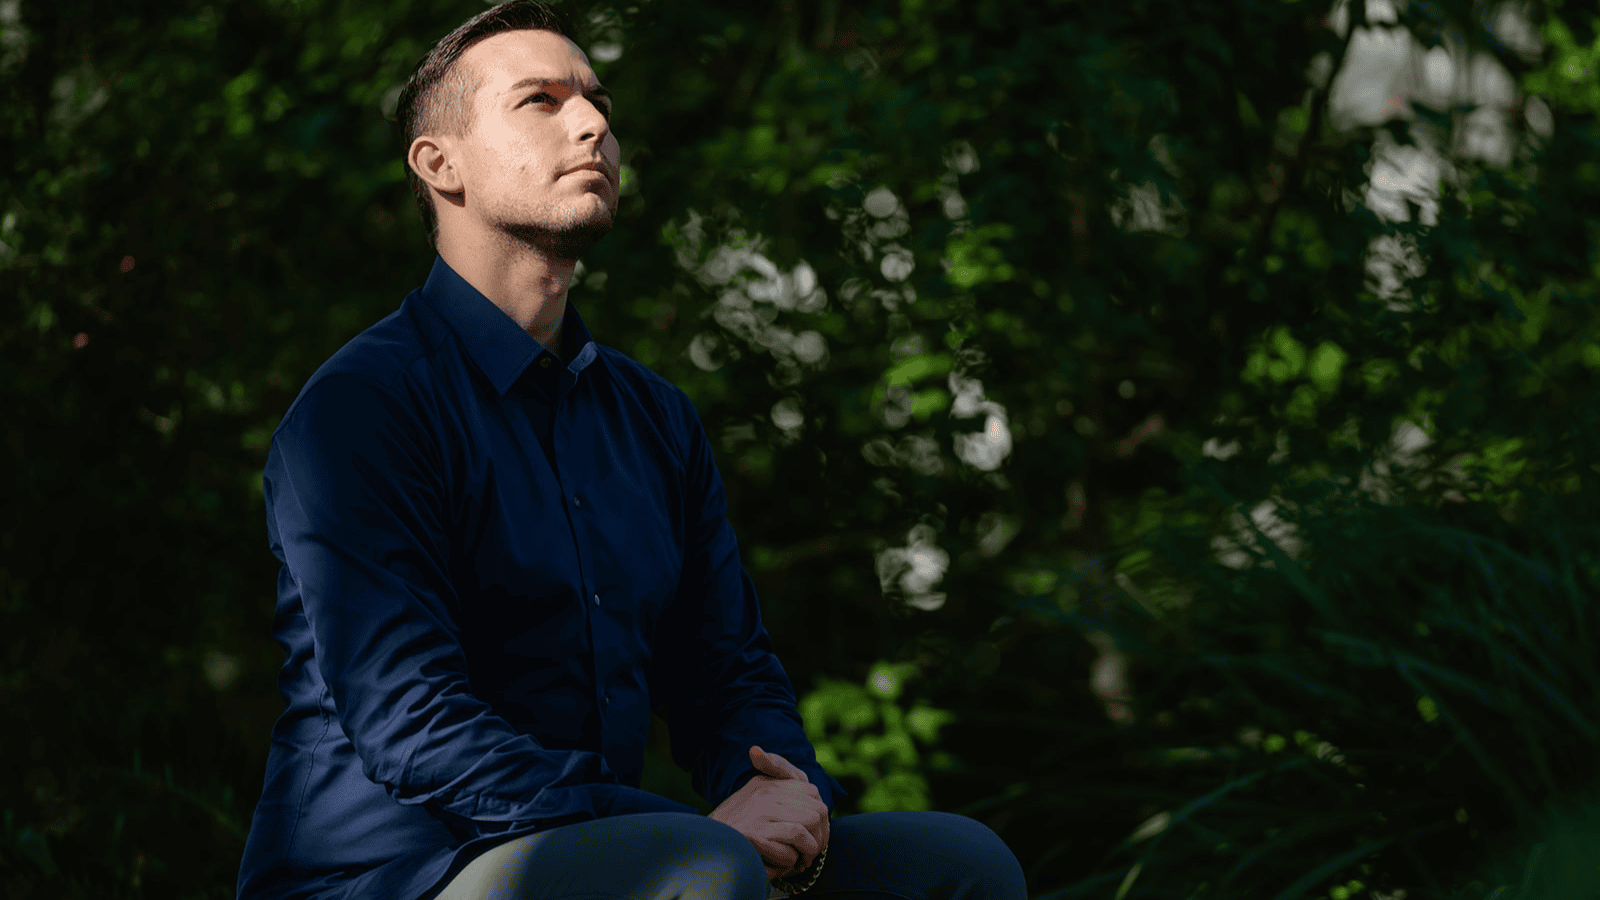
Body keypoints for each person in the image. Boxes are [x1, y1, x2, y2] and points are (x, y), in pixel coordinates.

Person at [235, 3, 1028, 900]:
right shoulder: (361, 410)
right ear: (439, 163)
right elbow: (412, 721)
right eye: (541, 99)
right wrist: (686, 829)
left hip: (620, 843)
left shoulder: (656, 420)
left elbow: (729, 672)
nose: (595, 123)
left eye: (600, 100)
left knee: (960, 865)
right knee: (700, 865)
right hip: (390, 874)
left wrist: (779, 799)